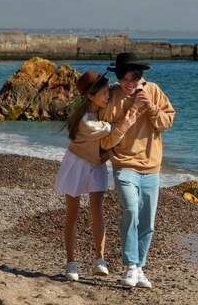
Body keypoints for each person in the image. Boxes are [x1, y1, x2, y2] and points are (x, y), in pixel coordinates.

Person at [100, 52, 176, 288]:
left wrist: (150, 108)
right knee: (131, 210)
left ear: (141, 78)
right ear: (118, 79)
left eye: (134, 79)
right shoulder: (112, 98)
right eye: (125, 80)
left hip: (152, 166)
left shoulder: (152, 90)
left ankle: (140, 268)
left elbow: (167, 122)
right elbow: (105, 141)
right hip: (124, 164)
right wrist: (128, 117)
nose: (130, 84)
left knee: (147, 221)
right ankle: (130, 266)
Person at [55, 70, 139, 282]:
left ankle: (99, 259)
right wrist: (124, 123)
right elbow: (113, 129)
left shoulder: (103, 105)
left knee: (97, 210)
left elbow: (117, 90)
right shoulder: (87, 122)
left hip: (97, 164)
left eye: (106, 91)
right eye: (102, 94)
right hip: (76, 164)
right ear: (89, 96)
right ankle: (71, 263)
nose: (106, 96)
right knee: (72, 214)